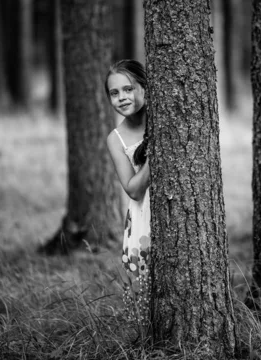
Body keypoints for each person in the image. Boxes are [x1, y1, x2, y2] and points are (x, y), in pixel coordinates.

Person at [105, 59, 151, 326]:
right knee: (145, 290)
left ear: (143, 87)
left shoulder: (166, 117)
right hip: (142, 219)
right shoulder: (116, 138)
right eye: (114, 92)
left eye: (128, 89)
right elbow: (133, 189)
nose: (122, 97)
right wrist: (154, 155)